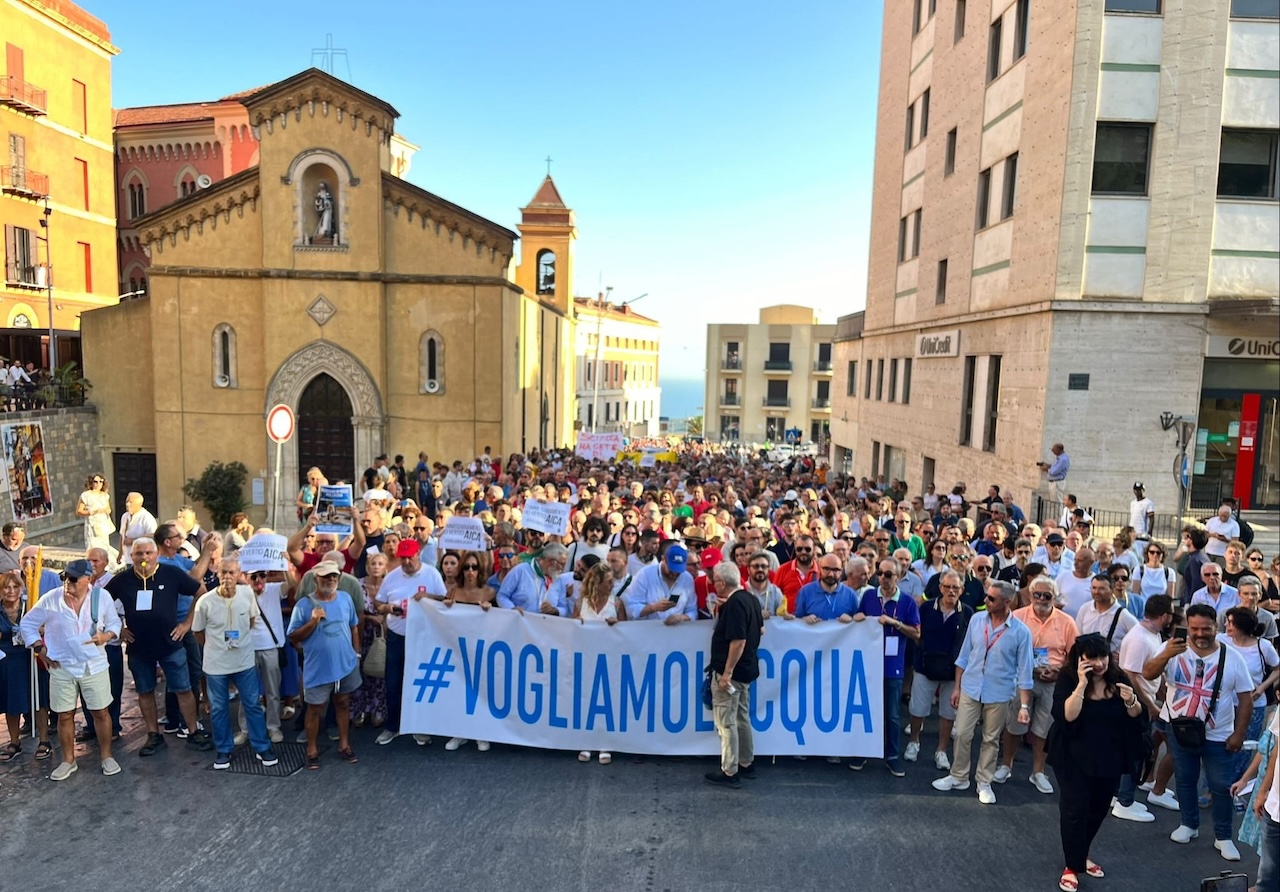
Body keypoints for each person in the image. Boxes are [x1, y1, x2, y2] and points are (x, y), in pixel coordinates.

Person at [1143, 603, 1255, 861]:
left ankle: (1223, 836)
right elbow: (1148, 673)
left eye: (1206, 628)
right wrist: (1165, 655)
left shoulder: (1232, 657)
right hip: (1179, 730)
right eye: (1194, 628)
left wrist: (1239, 734)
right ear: (1187, 627)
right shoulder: (1172, 649)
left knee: (1220, 785)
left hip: (1218, 735)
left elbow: (1245, 699)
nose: (1200, 633)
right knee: (1184, 778)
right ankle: (1189, 824)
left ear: (1217, 627)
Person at [1046, 634, 1146, 892]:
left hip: (1108, 756)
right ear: (1080, 659)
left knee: (1098, 809)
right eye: (1091, 658)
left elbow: (1137, 717)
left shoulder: (1119, 678)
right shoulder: (1068, 678)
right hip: (1073, 756)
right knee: (1074, 810)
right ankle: (1071, 866)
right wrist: (1081, 684)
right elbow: (1067, 716)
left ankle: (1081, 855)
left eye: (1102, 657)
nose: (1099, 663)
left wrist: (1131, 700)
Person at [106, 537, 211, 756]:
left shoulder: (171, 573)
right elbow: (100, 604)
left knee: (183, 689)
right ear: (131, 556)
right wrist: (117, 628)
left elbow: (200, 592)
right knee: (145, 692)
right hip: (139, 648)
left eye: (148, 553)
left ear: (156, 554)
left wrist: (187, 624)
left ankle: (193, 731)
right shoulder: (122, 580)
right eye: (139, 554)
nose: (144, 557)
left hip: (170, 644)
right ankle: (153, 735)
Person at [18, 559, 121, 781]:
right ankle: (68, 760)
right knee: (64, 715)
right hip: (61, 665)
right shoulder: (52, 598)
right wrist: (39, 648)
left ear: (88, 579)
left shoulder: (101, 597)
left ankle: (106, 756)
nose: (68, 582)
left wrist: (106, 636)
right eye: (65, 577)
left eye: (73, 578)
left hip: (93, 664)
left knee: (101, 712)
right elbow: (27, 624)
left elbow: (115, 624)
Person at [932, 580, 1033, 805]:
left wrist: (1024, 706)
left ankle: (983, 781)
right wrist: (957, 687)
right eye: (987, 596)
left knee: (990, 739)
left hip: (999, 692)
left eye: (991, 598)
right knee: (962, 734)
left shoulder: (1021, 632)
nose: (985, 600)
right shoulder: (977, 620)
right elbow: (964, 655)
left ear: (1007, 602)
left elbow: (1025, 671)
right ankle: (959, 776)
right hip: (971, 686)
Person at [190, 554, 278, 770]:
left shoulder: (247, 593)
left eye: (231, 573)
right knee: (219, 708)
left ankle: (261, 746)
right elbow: (198, 633)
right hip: (215, 665)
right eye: (223, 572)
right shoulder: (205, 602)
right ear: (217, 574)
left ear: (239, 575)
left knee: (252, 704)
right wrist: (217, 646)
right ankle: (224, 749)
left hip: (244, 661)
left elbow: (250, 620)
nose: (227, 577)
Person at [1000, 576, 1077, 796]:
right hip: (1022, 678)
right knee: (1013, 723)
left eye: (1047, 596)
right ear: (1030, 595)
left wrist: (1059, 672)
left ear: (1054, 597)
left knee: (1044, 728)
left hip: (1052, 681)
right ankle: (1006, 765)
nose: (1042, 599)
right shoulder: (1016, 617)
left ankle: (1038, 772)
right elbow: (1005, 649)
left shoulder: (1066, 622)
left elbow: (1075, 655)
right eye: (1037, 594)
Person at [287, 562, 361, 769]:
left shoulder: (346, 599)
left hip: (345, 665)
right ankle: (312, 749)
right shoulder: (304, 605)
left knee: (343, 703)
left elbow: (354, 626)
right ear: (315, 580)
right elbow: (293, 637)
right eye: (325, 577)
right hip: (318, 667)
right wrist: (312, 622)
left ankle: (344, 745)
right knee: (315, 708)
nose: (330, 580)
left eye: (334, 577)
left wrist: (356, 653)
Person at [375, 540, 447, 747]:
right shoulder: (391, 576)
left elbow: (444, 598)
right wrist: (389, 608)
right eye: (403, 558)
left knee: (421, 682)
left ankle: (420, 726)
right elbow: (378, 603)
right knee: (393, 682)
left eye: (410, 557)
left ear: (418, 554)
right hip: (398, 635)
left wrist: (428, 596)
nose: (406, 561)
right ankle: (393, 726)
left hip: (423, 637)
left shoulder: (431, 574)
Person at [853, 558, 921, 776]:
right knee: (866, 711)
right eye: (880, 573)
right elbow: (858, 622)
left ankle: (892, 756)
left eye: (888, 574)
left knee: (892, 714)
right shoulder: (869, 596)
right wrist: (858, 618)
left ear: (899, 577)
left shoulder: (907, 602)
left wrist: (896, 624)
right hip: (869, 664)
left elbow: (917, 634)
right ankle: (862, 751)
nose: (883, 578)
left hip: (893, 665)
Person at [704, 561, 764, 789]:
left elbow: (738, 641)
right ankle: (746, 762)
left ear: (721, 582)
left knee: (726, 722)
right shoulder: (749, 599)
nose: (713, 584)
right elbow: (760, 630)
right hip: (747, 670)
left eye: (715, 581)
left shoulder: (735, 604)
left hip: (733, 673)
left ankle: (730, 770)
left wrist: (726, 673)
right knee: (742, 717)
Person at [1117, 595, 1179, 814]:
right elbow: (1130, 676)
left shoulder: (1152, 635)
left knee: (1143, 748)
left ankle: (1139, 786)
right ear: (1164, 616)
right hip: (1135, 705)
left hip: (1145, 702)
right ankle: (1124, 801)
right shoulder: (1139, 638)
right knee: (1133, 751)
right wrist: (1150, 705)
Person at [907, 571, 972, 770]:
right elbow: (917, 634)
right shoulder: (926, 607)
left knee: (948, 713)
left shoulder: (968, 613)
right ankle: (914, 741)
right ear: (940, 587)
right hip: (925, 667)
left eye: (955, 588)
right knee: (918, 708)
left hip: (952, 672)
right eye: (947, 586)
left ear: (962, 590)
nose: (951, 591)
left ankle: (941, 750)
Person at [1219, 606, 1279, 781]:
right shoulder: (1220, 640)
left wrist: (1261, 688)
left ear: (1241, 625)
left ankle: (1237, 786)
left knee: (1244, 747)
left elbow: (1277, 668)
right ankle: (1212, 788)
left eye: (1230, 622)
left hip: (1253, 704)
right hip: (1225, 703)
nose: (1226, 625)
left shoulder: (1263, 646)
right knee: (1220, 745)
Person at [0, 571, 52, 763]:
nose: (11, 591)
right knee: (10, 701)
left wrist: (40, 630)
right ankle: (14, 742)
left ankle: (44, 740)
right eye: (7, 587)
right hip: (7, 660)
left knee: (39, 699)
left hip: (30, 656)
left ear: (21, 589)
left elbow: (49, 626)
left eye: (15, 587)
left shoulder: (30, 607)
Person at [239, 567, 288, 744]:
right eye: (254, 576)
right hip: (246, 649)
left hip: (270, 647)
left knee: (273, 691)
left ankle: (273, 727)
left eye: (263, 575)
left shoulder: (274, 589)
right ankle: (245, 729)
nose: (259, 579)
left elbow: (294, 584)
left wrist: (286, 564)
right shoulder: (240, 593)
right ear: (245, 577)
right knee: (246, 691)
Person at [1234, 707, 1278, 890]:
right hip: (1273, 802)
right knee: (1269, 863)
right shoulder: (1274, 716)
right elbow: (1275, 752)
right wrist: (1262, 790)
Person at [624, 544, 696, 625]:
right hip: (648, 630)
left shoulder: (687, 578)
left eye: (678, 570)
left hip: (677, 632)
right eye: (672, 569)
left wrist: (681, 617)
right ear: (663, 559)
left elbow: (692, 610)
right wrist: (652, 608)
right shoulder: (645, 574)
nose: (675, 574)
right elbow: (631, 608)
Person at [76, 473, 116, 561]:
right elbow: (79, 511)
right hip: (92, 522)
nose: (98, 484)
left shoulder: (105, 495)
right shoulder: (86, 495)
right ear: (91, 482)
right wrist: (90, 512)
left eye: (100, 482)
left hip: (102, 523)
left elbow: (109, 509)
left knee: (104, 543)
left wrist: (105, 510)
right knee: (93, 544)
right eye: (96, 481)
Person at [1205, 500, 1240, 566]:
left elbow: (1236, 542)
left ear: (1229, 515)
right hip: (1209, 551)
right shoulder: (1211, 521)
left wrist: (1225, 539)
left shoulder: (1234, 525)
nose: (1223, 518)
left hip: (1222, 554)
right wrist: (1212, 535)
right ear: (1219, 514)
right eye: (1222, 515)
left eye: (1225, 516)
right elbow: (1204, 534)